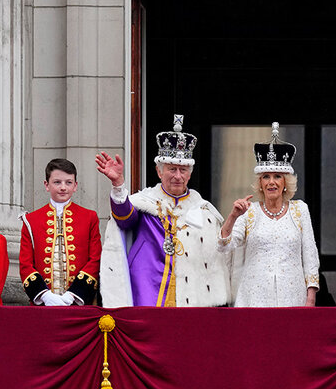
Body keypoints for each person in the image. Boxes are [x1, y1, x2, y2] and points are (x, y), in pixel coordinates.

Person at [96, 115, 229, 307]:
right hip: (148, 287)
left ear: (190, 174)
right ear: (159, 172)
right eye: (171, 169)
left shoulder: (204, 210)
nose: (177, 175)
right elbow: (124, 217)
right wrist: (118, 185)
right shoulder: (145, 202)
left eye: (182, 170)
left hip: (191, 295)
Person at [218, 124, 320, 307]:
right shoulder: (249, 211)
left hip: (292, 296)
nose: (271, 182)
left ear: (286, 182)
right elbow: (224, 246)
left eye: (277, 176)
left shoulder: (300, 210)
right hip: (254, 297)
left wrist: (310, 297)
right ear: (260, 182)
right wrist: (233, 216)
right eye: (266, 176)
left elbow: (310, 256)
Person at [20, 158, 102, 306]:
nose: (63, 187)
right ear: (46, 185)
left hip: (78, 303)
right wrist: (44, 296)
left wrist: (74, 294)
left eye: (68, 182)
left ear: (75, 186)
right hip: (43, 305)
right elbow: (25, 264)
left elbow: (95, 259)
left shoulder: (89, 217)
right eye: (57, 182)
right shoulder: (30, 220)